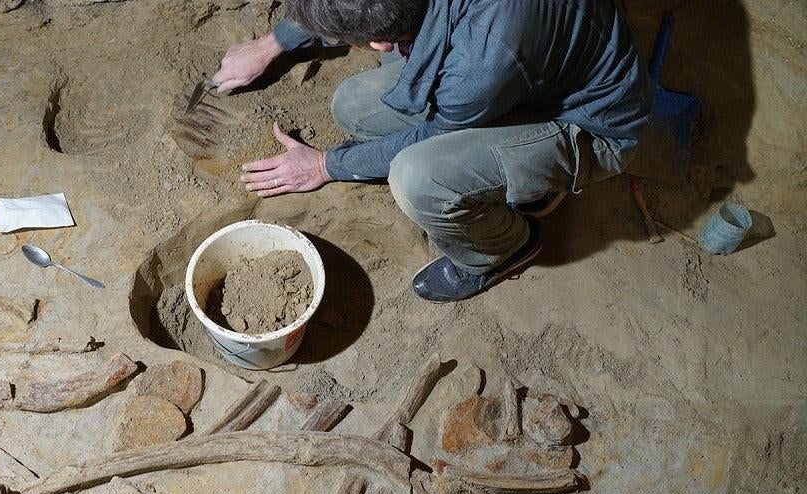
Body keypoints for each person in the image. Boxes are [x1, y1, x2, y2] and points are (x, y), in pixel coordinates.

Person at [211, 0, 651, 302]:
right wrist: (273, 43)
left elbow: (432, 135)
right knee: (353, 107)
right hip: (539, 66)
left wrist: (325, 164)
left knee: (418, 178)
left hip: (591, 124)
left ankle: (504, 249)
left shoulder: (480, 65)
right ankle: (509, 171)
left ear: (380, 43)